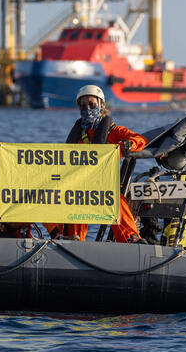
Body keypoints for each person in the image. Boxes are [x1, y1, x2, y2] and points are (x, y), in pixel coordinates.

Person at [49, 84, 147, 243]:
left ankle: (131, 239)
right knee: (59, 196)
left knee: (115, 200)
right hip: (79, 187)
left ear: (102, 105)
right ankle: (70, 241)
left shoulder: (113, 131)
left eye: (92, 104)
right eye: (83, 105)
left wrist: (129, 145)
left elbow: (140, 139)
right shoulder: (79, 134)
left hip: (104, 188)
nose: (87, 108)